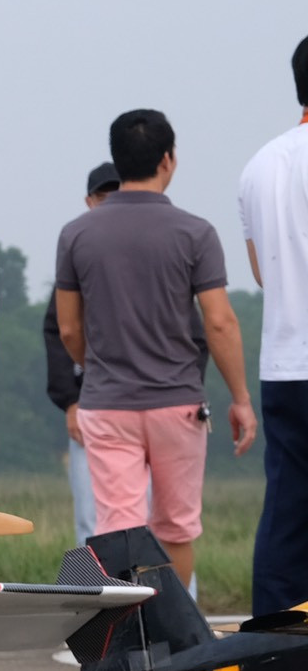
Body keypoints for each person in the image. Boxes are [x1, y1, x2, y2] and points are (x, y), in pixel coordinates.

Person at [54, 108, 258, 597]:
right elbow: (220, 321)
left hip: (107, 403)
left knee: (120, 529)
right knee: (176, 528)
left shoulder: (78, 234)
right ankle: (170, 632)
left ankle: (129, 635)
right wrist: (240, 398)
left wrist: (95, 363)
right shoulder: (195, 233)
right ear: (168, 160)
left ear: (117, 161)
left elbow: (67, 328)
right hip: (177, 402)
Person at [239, 38, 308, 617]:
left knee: (286, 513)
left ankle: (277, 648)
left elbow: (262, 271)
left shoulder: (261, 163)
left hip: (286, 363)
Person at [45, 164, 120, 545]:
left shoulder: (153, 247)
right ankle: (99, 602)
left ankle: (167, 604)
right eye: (102, 197)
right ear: (89, 202)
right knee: (91, 520)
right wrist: (71, 401)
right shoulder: (76, 253)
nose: (109, 205)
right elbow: (60, 331)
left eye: (116, 196)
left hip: (153, 401)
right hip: (91, 403)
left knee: (159, 521)